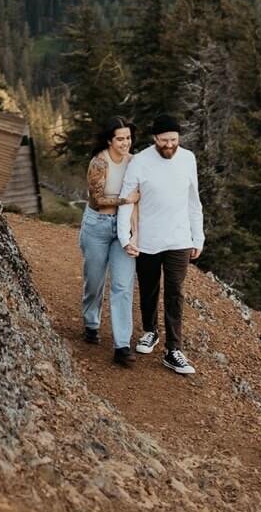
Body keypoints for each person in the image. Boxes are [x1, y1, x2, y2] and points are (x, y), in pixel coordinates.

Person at [116, 114, 203, 376]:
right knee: (149, 288)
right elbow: (127, 199)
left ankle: (173, 349)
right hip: (148, 239)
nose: (169, 145)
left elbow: (193, 201)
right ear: (155, 139)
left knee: (175, 290)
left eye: (174, 140)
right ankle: (150, 331)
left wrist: (198, 237)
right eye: (164, 140)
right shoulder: (141, 162)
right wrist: (124, 237)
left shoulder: (188, 158)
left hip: (179, 238)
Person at [78, 117, 139, 365]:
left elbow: (141, 196)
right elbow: (98, 199)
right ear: (109, 140)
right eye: (120, 138)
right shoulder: (99, 162)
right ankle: (91, 322)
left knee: (123, 286)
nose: (125, 143)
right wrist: (126, 200)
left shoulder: (135, 162)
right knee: (94, 279)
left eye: (128, 138)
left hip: (123, 228)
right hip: (98, 226)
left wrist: (135, 225)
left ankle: (122, 345)